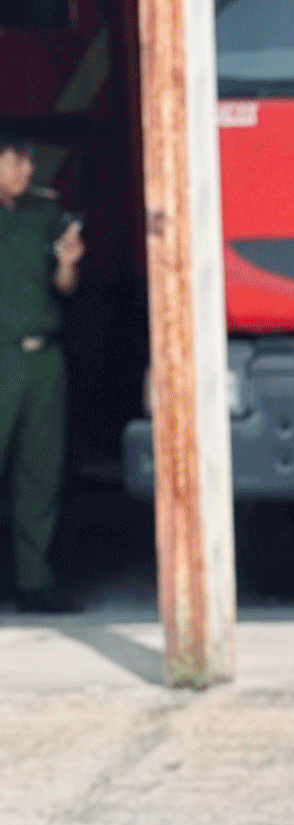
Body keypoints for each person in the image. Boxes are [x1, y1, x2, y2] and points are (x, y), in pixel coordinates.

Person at [0, 134, 83, 614]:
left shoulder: (46, 212)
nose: (28, 171)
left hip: (44, 358)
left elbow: (64, 287)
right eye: (18, 161)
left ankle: (36, 580)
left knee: (40, 470)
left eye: (30, 161)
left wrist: (69, 265)